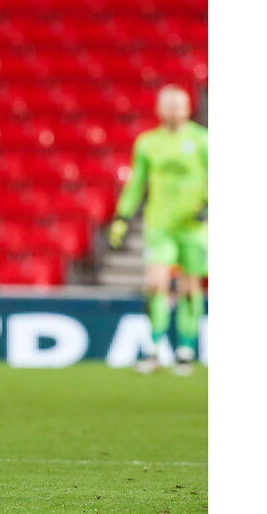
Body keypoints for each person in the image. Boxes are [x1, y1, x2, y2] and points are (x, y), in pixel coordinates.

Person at [109, 84, 208, 376]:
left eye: (179, 105)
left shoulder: (202, 140)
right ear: (159, 109)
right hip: (159, 224)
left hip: (193, 227)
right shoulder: (148, 143)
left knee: (190, 287)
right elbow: (137, 182)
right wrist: (122, 217)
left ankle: (186, 351)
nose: (174, 111)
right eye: (169, 105)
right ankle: (155, 349)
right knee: (156, 284)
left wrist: (208, 203)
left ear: (188, 108)